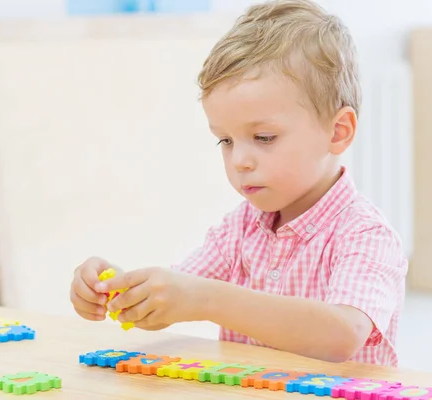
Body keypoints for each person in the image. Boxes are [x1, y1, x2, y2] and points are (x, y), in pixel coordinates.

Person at [69, 0, 408, 366]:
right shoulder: (239, 230)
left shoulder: (365, 234)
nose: (239, 160)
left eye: (263, 138)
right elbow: (173, 300)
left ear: (337, 132)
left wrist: (208, 299)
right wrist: (120, 290)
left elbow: (341, 335)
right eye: (225, 141)